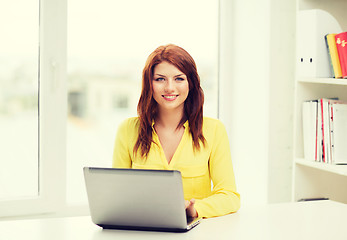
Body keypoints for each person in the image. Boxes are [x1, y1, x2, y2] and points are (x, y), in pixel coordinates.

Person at [112, 44, 240, 218]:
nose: (170, 88)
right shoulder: (127, 130)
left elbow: (229, 196)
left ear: (191, 83)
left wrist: (195, 209)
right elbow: (117, 194)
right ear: (149, 84)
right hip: (143, 230)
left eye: (179, 79)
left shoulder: (214, 130)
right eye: (160, 79)